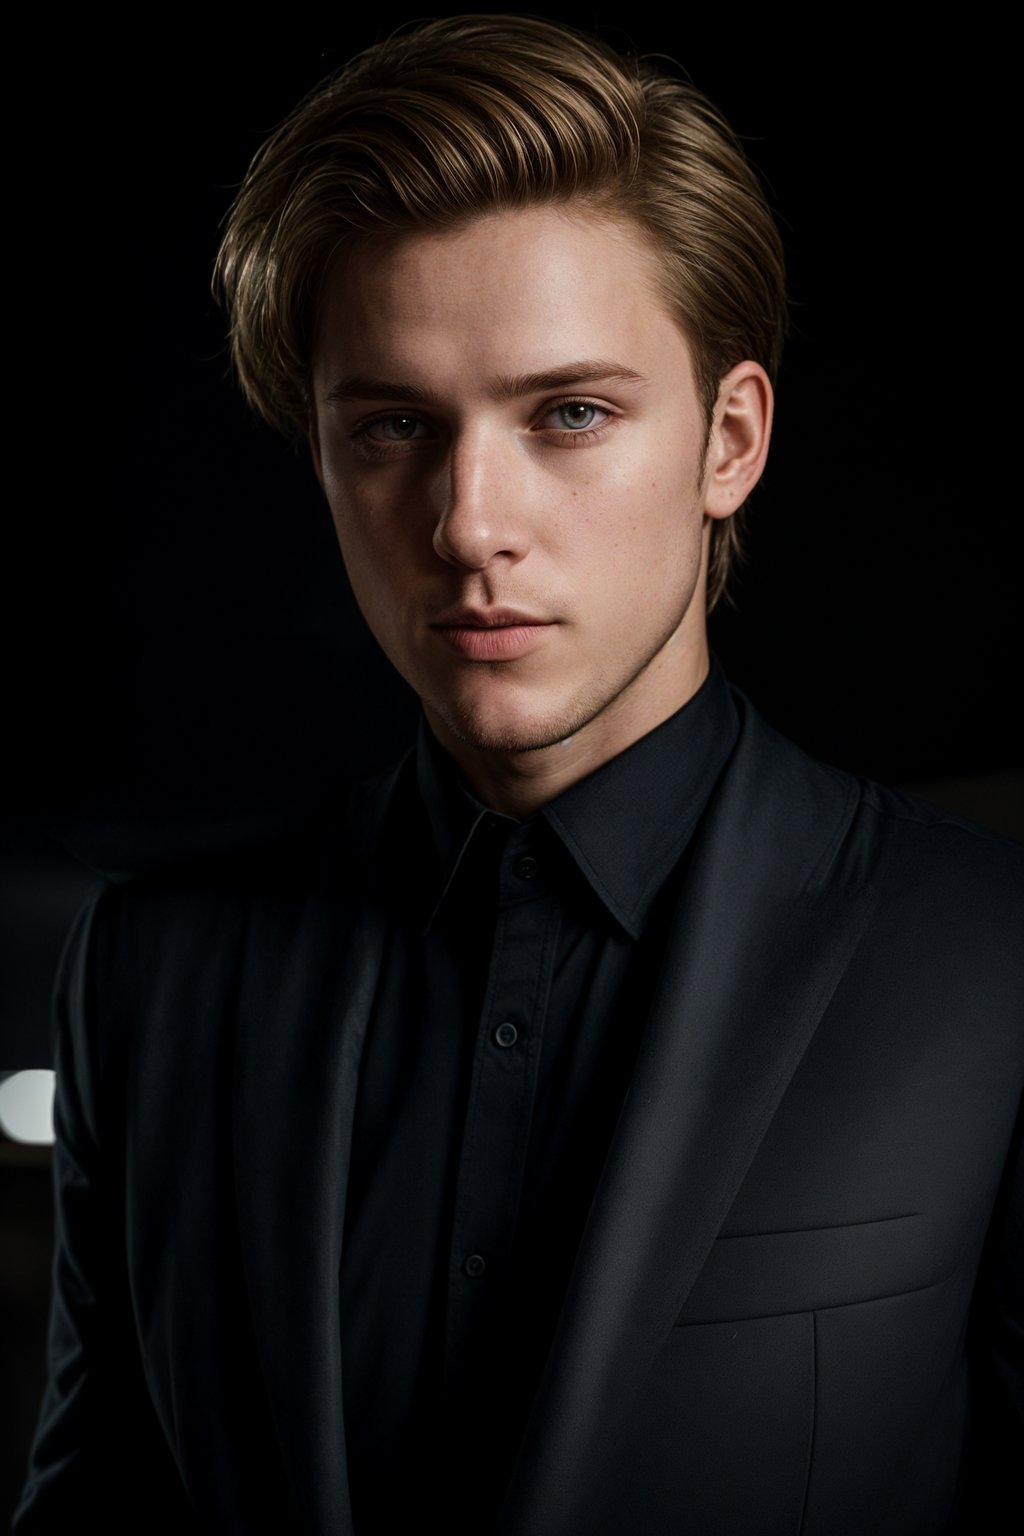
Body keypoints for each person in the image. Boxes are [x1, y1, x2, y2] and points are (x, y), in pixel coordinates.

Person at [15, 15, 1022, 1534]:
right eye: (395, 429)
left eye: (570, 414)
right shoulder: (154, 977)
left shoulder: (992, 958)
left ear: (729, 442)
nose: (470, 521)